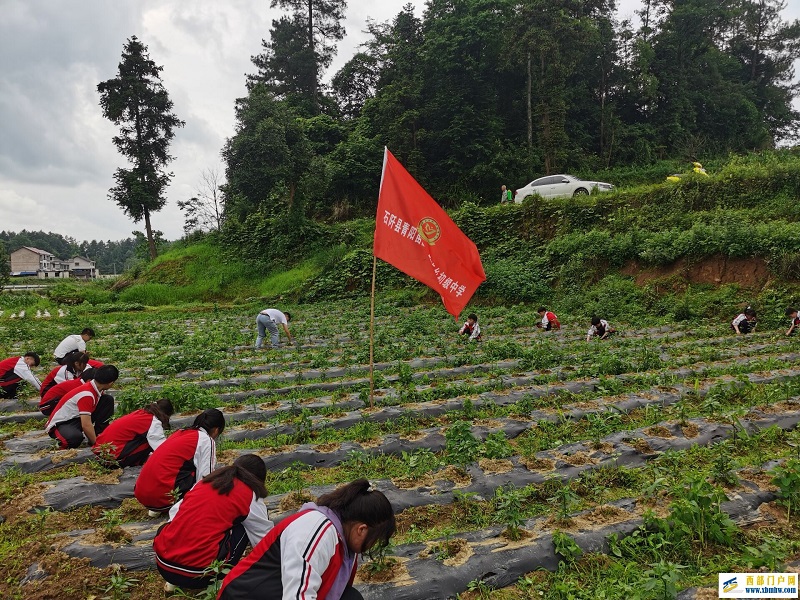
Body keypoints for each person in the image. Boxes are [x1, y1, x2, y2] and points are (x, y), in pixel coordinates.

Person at [218, 478, 396, 600]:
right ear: (361, 529)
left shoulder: (343, 535)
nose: (372, 546)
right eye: (375, 540)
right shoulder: (316, 531)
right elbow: (297, 596)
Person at [153, 454, 273, 592]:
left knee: (185, 521)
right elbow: (265, 538)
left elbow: (174, 513)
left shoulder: (205, 482)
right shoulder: (249, 494)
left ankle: (171, 583)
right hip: (200, 575)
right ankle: (220, 583)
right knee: (245, 525)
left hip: (163, 564)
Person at [134, 408, 225, 515]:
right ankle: (172, 505)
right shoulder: (206, 440)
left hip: (142, 494)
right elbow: (206, 476)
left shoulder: (180, 433)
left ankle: (158, 506)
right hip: (163, 498)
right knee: (203, 476)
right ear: (216, 430)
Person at [44, 364, 118, 449]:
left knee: (107, 400)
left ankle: (99, 435)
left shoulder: (96, 389)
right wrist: (98, 447)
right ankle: (96, 441)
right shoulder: (87, 394)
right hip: (61, 423)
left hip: (76, 418)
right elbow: (86, 425)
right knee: (74, 439)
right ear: (110, 383)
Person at [93, 399, 174, 468]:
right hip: (111, 459)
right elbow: (161, 447)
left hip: (100, 453)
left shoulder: (140, 413)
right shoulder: (152, 421)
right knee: (148, 444)